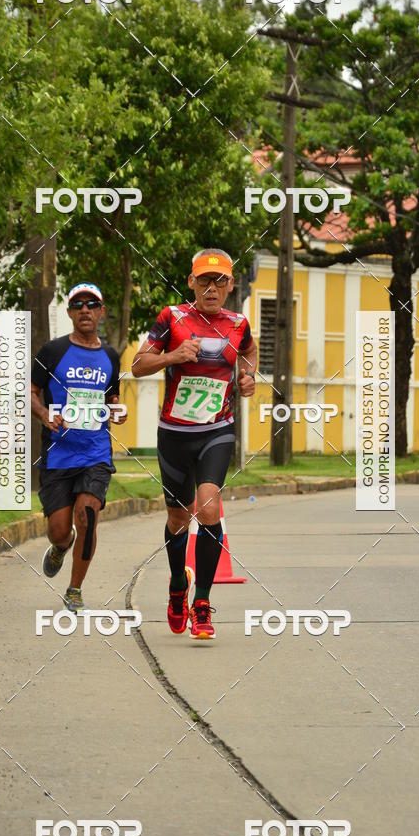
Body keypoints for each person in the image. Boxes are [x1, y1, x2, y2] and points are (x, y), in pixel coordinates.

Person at [132, 249, 257, 639]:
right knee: (177, 519)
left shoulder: (239, 324)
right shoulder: (172, 318)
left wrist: (248, 376)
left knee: (207, 507)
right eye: (204, 280)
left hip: (217, 430)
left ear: (231, 285)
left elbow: (249, 352)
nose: (212, 288)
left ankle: (201, 602)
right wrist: (171, 356)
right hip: (174, 434)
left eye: (220, 281)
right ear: (191, 282)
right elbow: (138, 366)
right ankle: (176, 585)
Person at [30, 283, 127, 612]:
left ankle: (75, 588)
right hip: (58, 454)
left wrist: (118, 410)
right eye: (78, 304)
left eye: (92, 304)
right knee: (59, 531)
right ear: (70, 312)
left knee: (87, 516)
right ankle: (61, 546)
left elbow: (112, 397)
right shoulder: (52, 352)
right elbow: (31, 391)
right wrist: (44, 414)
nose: (85, 309)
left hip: (95, 452)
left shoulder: (111, 356)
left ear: (101, 312)